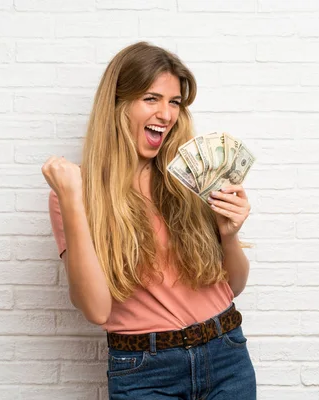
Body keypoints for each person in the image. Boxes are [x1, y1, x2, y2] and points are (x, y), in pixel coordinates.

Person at [42, 41, 256, 399]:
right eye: (151, 99)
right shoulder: (75, 194)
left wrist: (229, 235)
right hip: (144, 373)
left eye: (174, 103)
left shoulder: (192, 177)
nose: (167, 114)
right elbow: (96, 309)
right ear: (118, 104)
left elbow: (232, 287)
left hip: (226, 357)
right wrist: (73, 199)